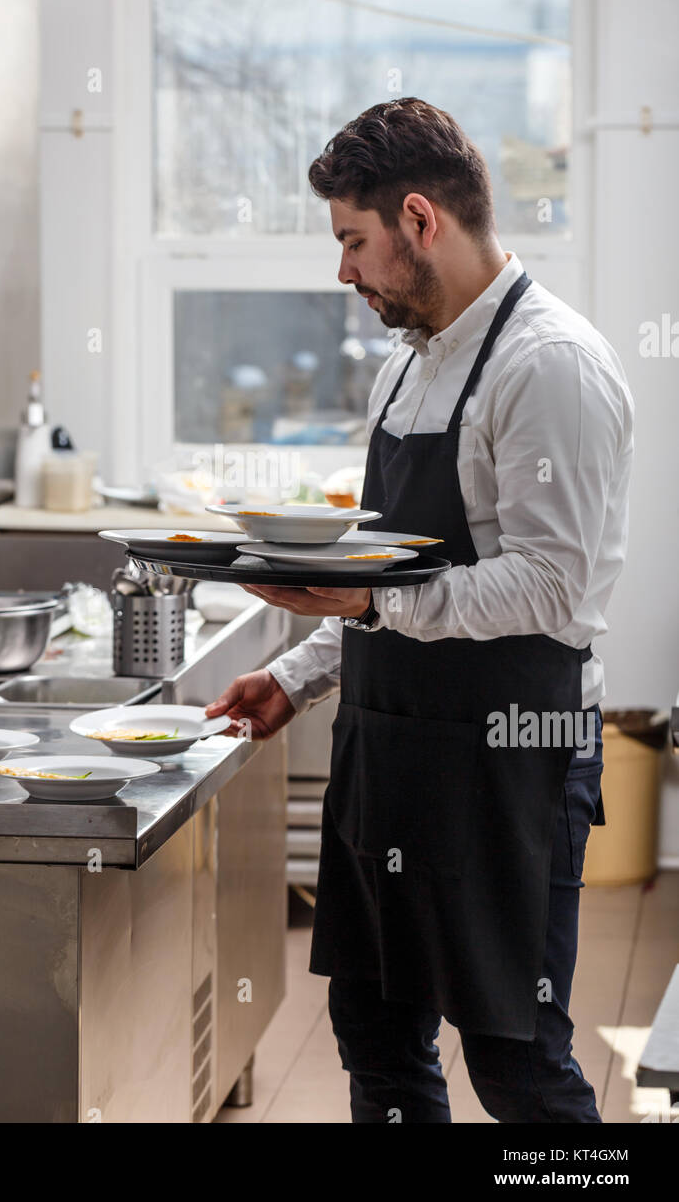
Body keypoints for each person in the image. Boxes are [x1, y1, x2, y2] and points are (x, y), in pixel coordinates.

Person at [205, 98, 634, 1123]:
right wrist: (298, 675)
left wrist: (369, 601)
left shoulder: (549, 365)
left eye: (352, 241)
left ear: (416, 219)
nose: (342, 271)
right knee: (376, 1036)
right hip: (390, 744)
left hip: (508, 754)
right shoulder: (405, 367)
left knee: (514, 1057)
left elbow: (553, 586)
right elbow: (386, 571)